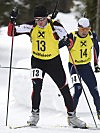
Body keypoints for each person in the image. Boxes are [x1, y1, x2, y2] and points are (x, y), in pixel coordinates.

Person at [7, 5, 86, 128]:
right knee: (37, 87)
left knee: (64, 88)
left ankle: (72, 117)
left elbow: (69, 40)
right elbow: (11, 32)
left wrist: (66, 41)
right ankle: (34, 115)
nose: (39, 22)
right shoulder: (31, 26)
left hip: (53, 62)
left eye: (42, 19)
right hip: (37, 61)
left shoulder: (55, 26)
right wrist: (12, 20)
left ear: (47, 18)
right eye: (37, 19)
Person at [60, 17, 100, 120]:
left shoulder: (92, 36)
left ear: (89, 28)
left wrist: (96, 64)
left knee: (94, 90)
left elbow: (96, 49)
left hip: (86, 66)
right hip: (74, 66)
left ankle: (99, 112)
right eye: (82, 29)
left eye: (87, 29)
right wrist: (65, 42)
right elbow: (58, 45)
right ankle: (71, 115)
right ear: (78, 28)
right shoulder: (72, 36)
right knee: (78, 89)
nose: (84, 31)